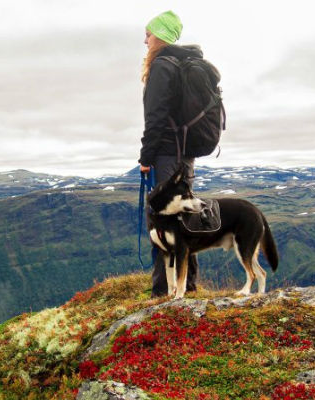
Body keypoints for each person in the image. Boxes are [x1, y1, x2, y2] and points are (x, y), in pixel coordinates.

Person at [138, 10, 203, 297]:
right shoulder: (181, 65)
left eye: (149, 34)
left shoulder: (162, 67)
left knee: (163, 220)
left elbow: (155, 118)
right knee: (183, 218)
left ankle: (162, 290)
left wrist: (145, 157)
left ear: (160, 36)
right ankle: (187, 285)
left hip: (165, 154)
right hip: (184, 153)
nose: (145, 40)